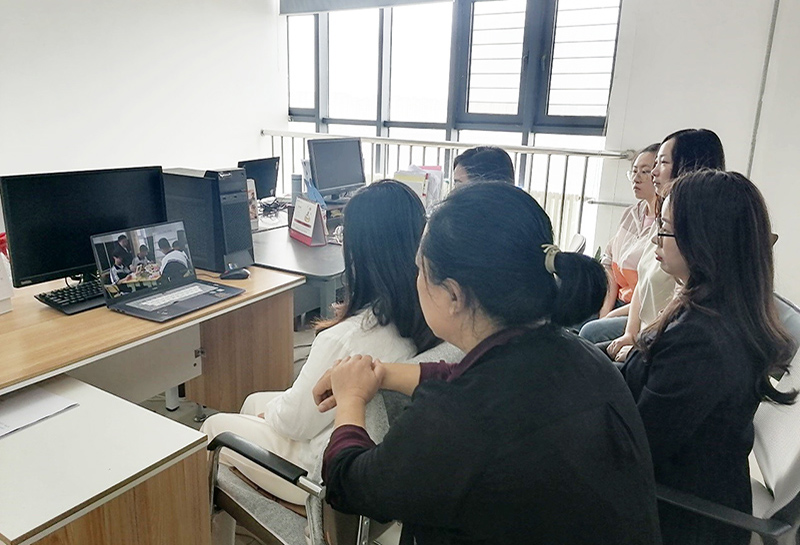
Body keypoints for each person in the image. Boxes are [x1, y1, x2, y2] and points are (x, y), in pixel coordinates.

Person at [313, 182, 661, 544]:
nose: (415, 281)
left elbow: (350, 485)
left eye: (419, 270)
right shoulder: (581, 355)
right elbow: (471, 380)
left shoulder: (457, 419)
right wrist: (383, 372)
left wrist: (351, 398)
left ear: (453, 295)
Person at [201, 180, 440, 506]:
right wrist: (271, 413)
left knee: (213, 427)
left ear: (357, 252)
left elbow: (294, 423)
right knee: (255, 402)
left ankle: (245, 508)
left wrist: (272, 416)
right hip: (374, 451)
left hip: (319, 472)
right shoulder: (426, 320)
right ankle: (250, 498)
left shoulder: (344, 340)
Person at [621, 170, 797, 545]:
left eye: (665, 228)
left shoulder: (701, 342)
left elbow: (637, 450)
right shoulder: (719, 311)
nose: (655, 237)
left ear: (703, 240)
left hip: (678, 517)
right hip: (690, 490)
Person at [581, 128, 725, 357]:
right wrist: (630, 334)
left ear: (689, 166)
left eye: (662, 163)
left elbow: (680, 307)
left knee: (588, 346)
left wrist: (639, 347)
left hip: (661, 343)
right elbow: (641, 282)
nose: (653, 173)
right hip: (646, 332)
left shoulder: (697, 236)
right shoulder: (662, 217)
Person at [598, 143, 660, 317]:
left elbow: (651, 294)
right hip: (616, 300)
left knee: (591, 329)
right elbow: (609, 263)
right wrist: (605, 311)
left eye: (645, 171)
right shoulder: (631, 214)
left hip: (639, 310)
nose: (636, 178)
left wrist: (608, 318)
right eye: (634, 171)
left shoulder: (665, 224)